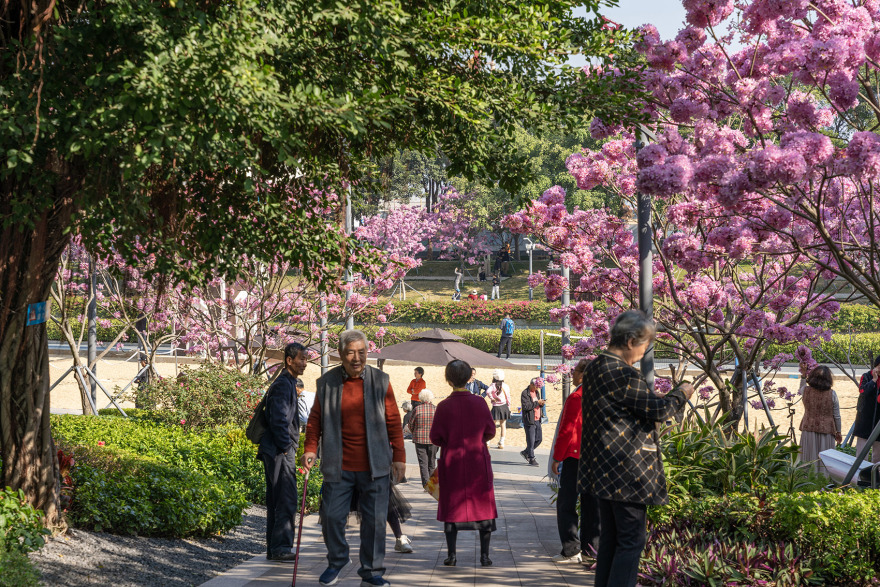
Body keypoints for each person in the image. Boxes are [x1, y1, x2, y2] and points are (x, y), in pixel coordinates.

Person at [579, 310, 694, 587]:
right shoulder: (623, 373)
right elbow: (658, 410)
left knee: (611, 539)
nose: (644, 353)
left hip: (601, 470)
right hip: (627, 473)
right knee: (631, 541)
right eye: (645, 346)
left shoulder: (595, 366)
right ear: (631, 341)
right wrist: (682, 392)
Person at [302, 330, 406, 587]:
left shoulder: (381, 380)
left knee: (374, 523)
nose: (357, 358)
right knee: (331, 517)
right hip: (339, 464)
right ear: (340, 354)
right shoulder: (327, 382)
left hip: (376, 465)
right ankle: (337, 560)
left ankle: (372, 572)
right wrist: (310, 448)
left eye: (362, 352)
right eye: (351, 352)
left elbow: (393, 420)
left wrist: (400, 456)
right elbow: (315, 419)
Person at [430, 359, 498, 568]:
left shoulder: (443, 406)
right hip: (477, 460)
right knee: (483, 508)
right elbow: (491, 431)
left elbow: (435, 437)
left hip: (453, 462)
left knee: (452, 509)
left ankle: (452, 555)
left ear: (448, 380)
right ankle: (484, 556)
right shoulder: (480, 403)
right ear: (470, 377)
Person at [258, 342, 308, 563]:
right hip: (278, 450)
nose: (305, 363)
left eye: (306, 359)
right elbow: (278, 419)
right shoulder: (282, 385)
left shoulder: (287, 383)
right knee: (286, 499)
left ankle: (275, 547)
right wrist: (287, 447)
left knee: (279, 499)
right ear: (290, 360)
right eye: (302, 359)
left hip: (277, 449)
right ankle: (280, 548)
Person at [550, 359, 599, 564]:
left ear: (584, 374)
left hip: (575, 457)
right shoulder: (603, 396)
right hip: (596, 457)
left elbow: (566, 431)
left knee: (566, 503)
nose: (572, 374)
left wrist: (556, 458)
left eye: (576, 370)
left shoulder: (576, 397)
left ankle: (571, 550)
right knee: (591, 504)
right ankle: (591, 549)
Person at [799, 365, 842, 474]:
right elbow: (836, 415)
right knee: (825, 460)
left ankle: (807, 479)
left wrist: (803, 376)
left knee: (808, 458)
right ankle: (824, 482)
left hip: (808, 428)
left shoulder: (805, 390)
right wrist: (839, 432)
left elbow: (800, 389)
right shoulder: (832, 394)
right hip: (827, 430)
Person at [410, 389, 438, 488]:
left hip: (420, 439)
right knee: (432, 462)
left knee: (423, 463)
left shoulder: (417, 409)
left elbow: (411, 424)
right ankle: (432, 486)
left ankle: (426, 484)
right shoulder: (436, 409)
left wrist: (414, 432)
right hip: (433, 439)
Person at [854, 355, 880, 463]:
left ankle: (876, 478)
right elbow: (863, 392)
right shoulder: (866, 376)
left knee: (877, 457)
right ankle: (859, 476)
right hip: (864, 421)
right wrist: (874, 380)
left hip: (878, 423)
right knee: (861, 455)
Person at [520, 378, 545, 467]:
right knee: (531, 440)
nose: (537, 388)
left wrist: (541, 404)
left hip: (537, 419)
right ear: (531, 384)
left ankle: (526, 452)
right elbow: (526, 406)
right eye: (535, 386)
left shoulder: (536, 393)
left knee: (539, 439)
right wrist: (537, 403)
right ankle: (531, 457)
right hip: (529, 420)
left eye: (538, 387)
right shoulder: (525, 393)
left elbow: (536, 405)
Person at [486, 370, 511, 449]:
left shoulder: (493, 385)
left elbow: (487, 391)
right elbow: (508, 397)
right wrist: (509, 407)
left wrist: (492, 398)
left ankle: (488, 441)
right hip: (504, 406)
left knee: (492, 425)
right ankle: (501, 442)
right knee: (503, 425)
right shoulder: (506, 386)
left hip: (496, 407)